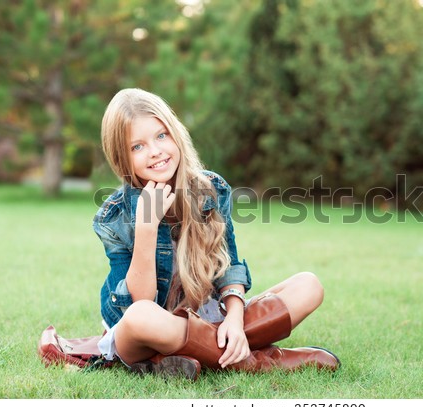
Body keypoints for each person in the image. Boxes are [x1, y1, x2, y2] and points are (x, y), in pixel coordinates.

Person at [93, 88, 340, 379]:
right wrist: (147, 227)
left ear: (176, 134)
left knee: (308, 285)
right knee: (139, 318)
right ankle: (256, 361)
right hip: (146, 330)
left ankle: (183, 356)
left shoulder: (212, 189)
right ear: (123, 158)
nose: (156, 151)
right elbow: (142, 301)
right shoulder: (114, 215)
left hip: (207, 316)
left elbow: (229, 267)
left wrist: (234, 321)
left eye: (161, 136)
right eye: (138, 147)